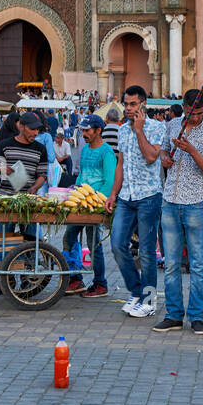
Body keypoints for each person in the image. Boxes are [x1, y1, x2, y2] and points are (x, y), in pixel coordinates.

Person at [153, 89, 203, 334]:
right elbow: (162, 150)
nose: (195, 118)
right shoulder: (172, 125)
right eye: (191, 113)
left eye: (200, 113)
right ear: (183, 106)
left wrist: (191, 149)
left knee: (198, 264)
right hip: (170, 199)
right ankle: (173, 314)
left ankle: (196, 316)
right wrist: (164, 158)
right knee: (171, 264)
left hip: (196, 202)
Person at [107, 86, 164, 320]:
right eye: (126, 104)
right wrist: (113, 193)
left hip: (149, 197)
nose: (129, 109)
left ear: (143, 104)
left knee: (148, 252)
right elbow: (120, 164)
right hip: (126, 197)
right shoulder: (122, 131)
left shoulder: (157, 127)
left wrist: (139, 131)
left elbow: (152, 157)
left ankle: (149, 300)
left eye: (133, 104)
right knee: (118, 244)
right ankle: (136, 291)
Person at [63, 114, 116, 298]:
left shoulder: (107, 152)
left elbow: (109, 182)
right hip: (80, 204)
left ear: (98, 130)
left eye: (87, 130)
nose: (84, 133)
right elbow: (81, 174)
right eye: (83, 130)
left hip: (95, 205)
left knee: (94, 244)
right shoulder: (85, 149)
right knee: (69, 238)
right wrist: (75, 189)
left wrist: (95, 199)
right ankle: (75, 279)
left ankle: (100, 283)